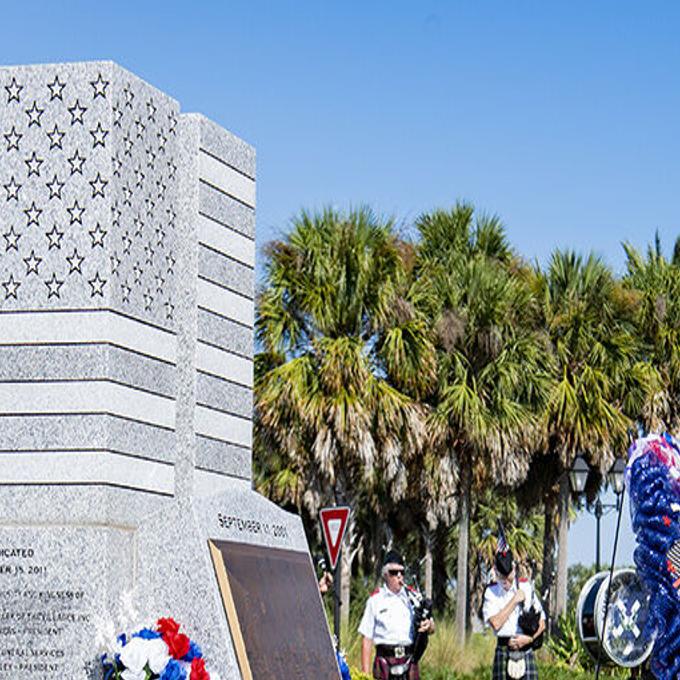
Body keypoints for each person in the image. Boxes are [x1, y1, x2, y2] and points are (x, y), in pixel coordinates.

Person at [358, 550, 435, 679]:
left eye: (402, 572)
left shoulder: (413, 598)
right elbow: (366, 639)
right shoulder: (375, 600)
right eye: (394, 572)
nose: (399, 576)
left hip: (409, 662)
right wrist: (365, 676)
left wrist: (429, 625)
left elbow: (432, 628)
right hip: (384, 663)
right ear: (385, 575)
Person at [482, 542, 546, 680]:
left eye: (509, 575)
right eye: (502, 576)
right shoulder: (491, 592)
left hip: (526, 647)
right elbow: (496, 623)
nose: (506, 580)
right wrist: (515, 600)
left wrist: (529, 639)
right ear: (495, 571)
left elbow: (542, 623)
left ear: (514, 568)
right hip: (504, 649)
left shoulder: (526, 587)